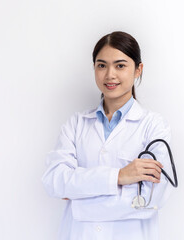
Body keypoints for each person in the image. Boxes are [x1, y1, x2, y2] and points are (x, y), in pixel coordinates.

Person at [41, 31, 173, 240]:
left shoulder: (154, 126)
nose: (110, 74)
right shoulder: (76, 124)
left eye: (120, 65)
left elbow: (149, 200)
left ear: (138, 69)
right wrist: (120, 176)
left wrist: (79, 199)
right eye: (102, 65)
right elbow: (54, 181)